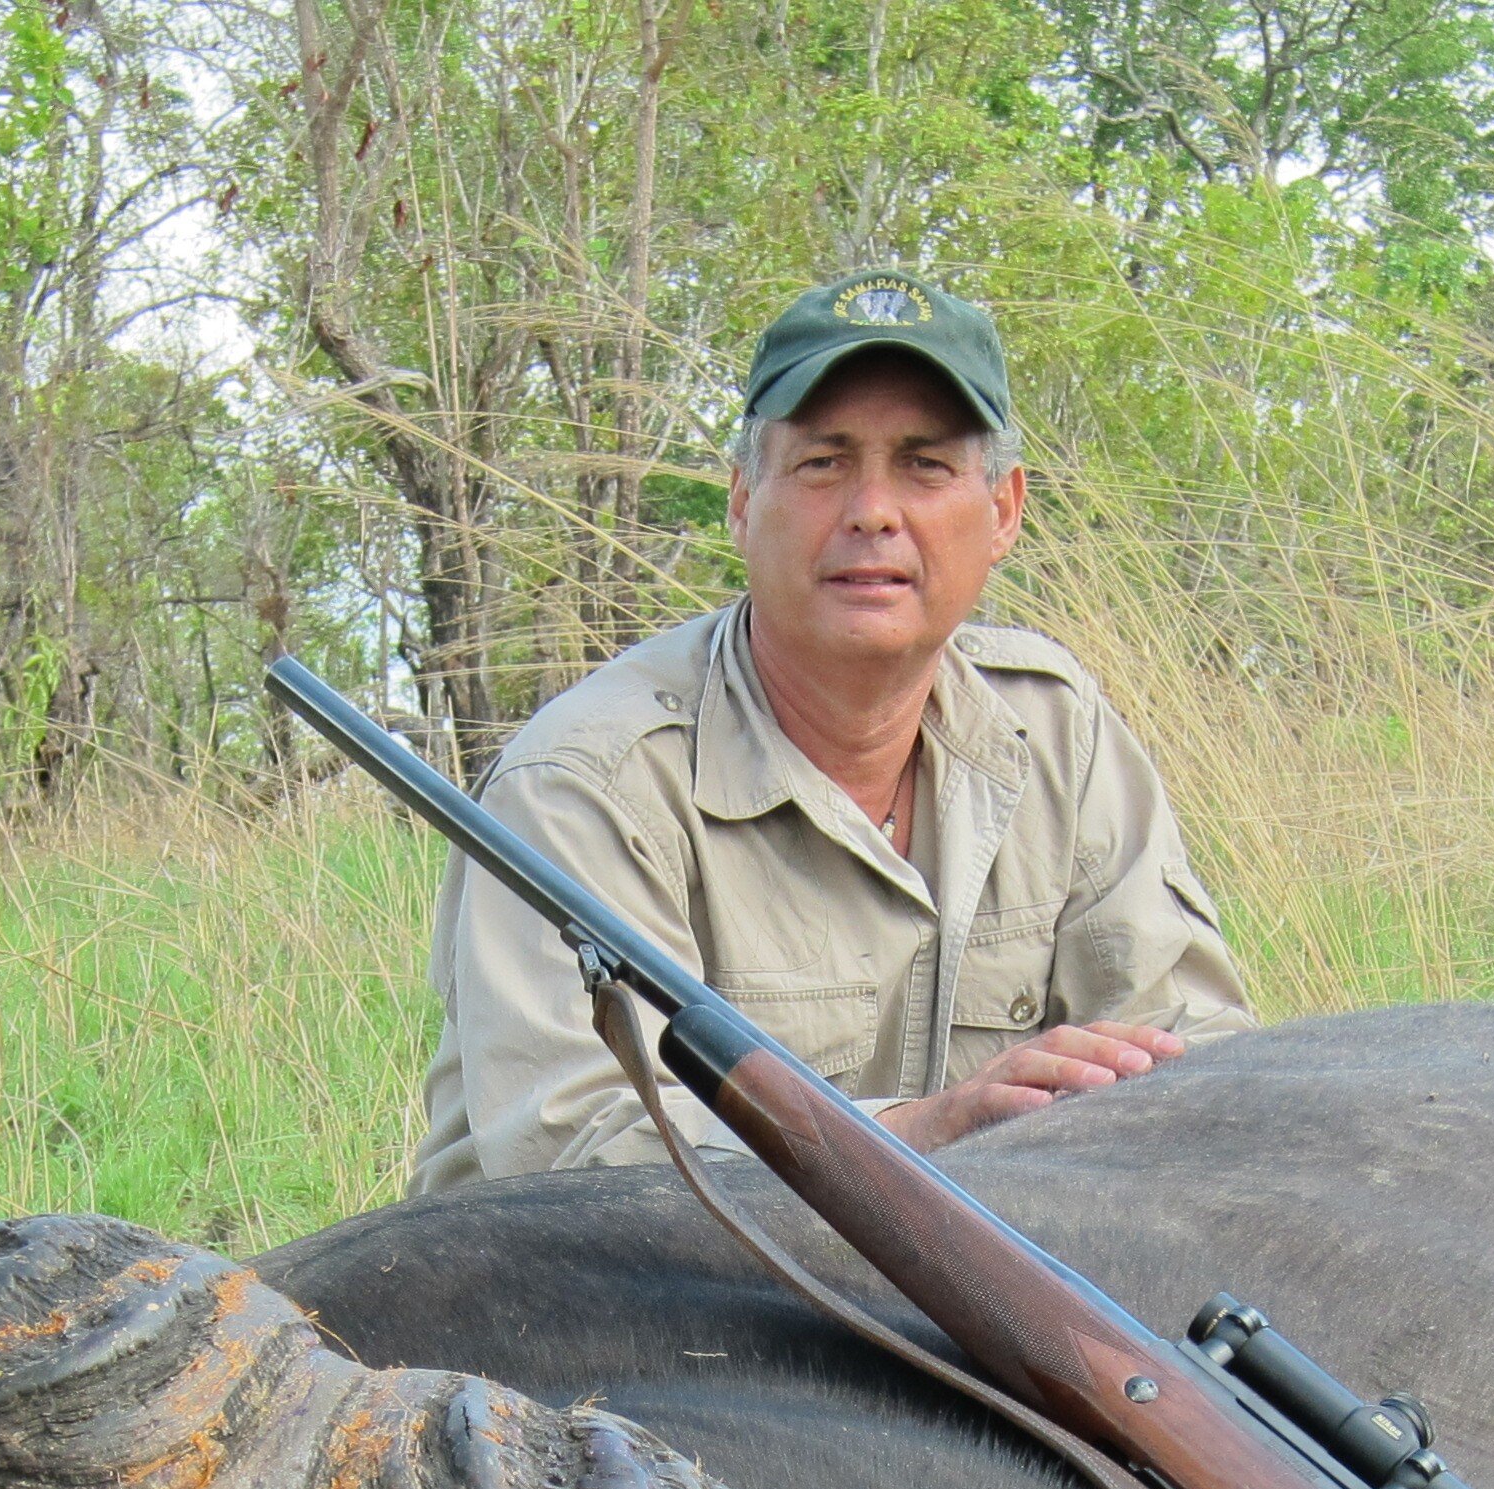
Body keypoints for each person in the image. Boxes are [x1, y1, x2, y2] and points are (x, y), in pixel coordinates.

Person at [409, 269, 1256, 1194]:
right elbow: (575, 1161)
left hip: (947, 1304)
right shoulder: (585, 781)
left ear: (1004, 510)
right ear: (740, 499)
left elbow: (1197, 1064)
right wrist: (922, 1134)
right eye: (823, 464)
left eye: (925, 466)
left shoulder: (1057, 730)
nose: (873, 512)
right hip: (605, 1313)